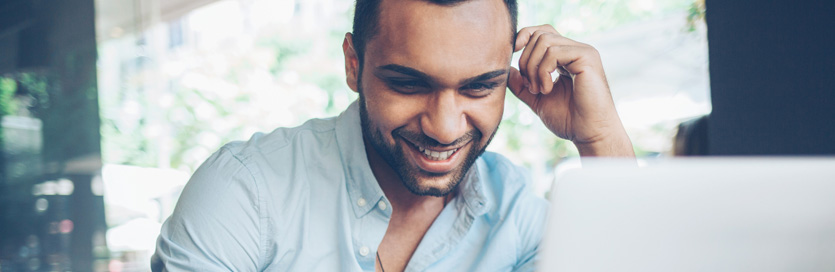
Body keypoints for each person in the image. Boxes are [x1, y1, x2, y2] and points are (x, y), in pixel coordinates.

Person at [151, 0, 634, 270]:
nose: (445, 128)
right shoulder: (244, 193)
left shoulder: (516, 214)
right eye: (408, 84)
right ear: (352, 64)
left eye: (479, 87)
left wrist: (599, 137)